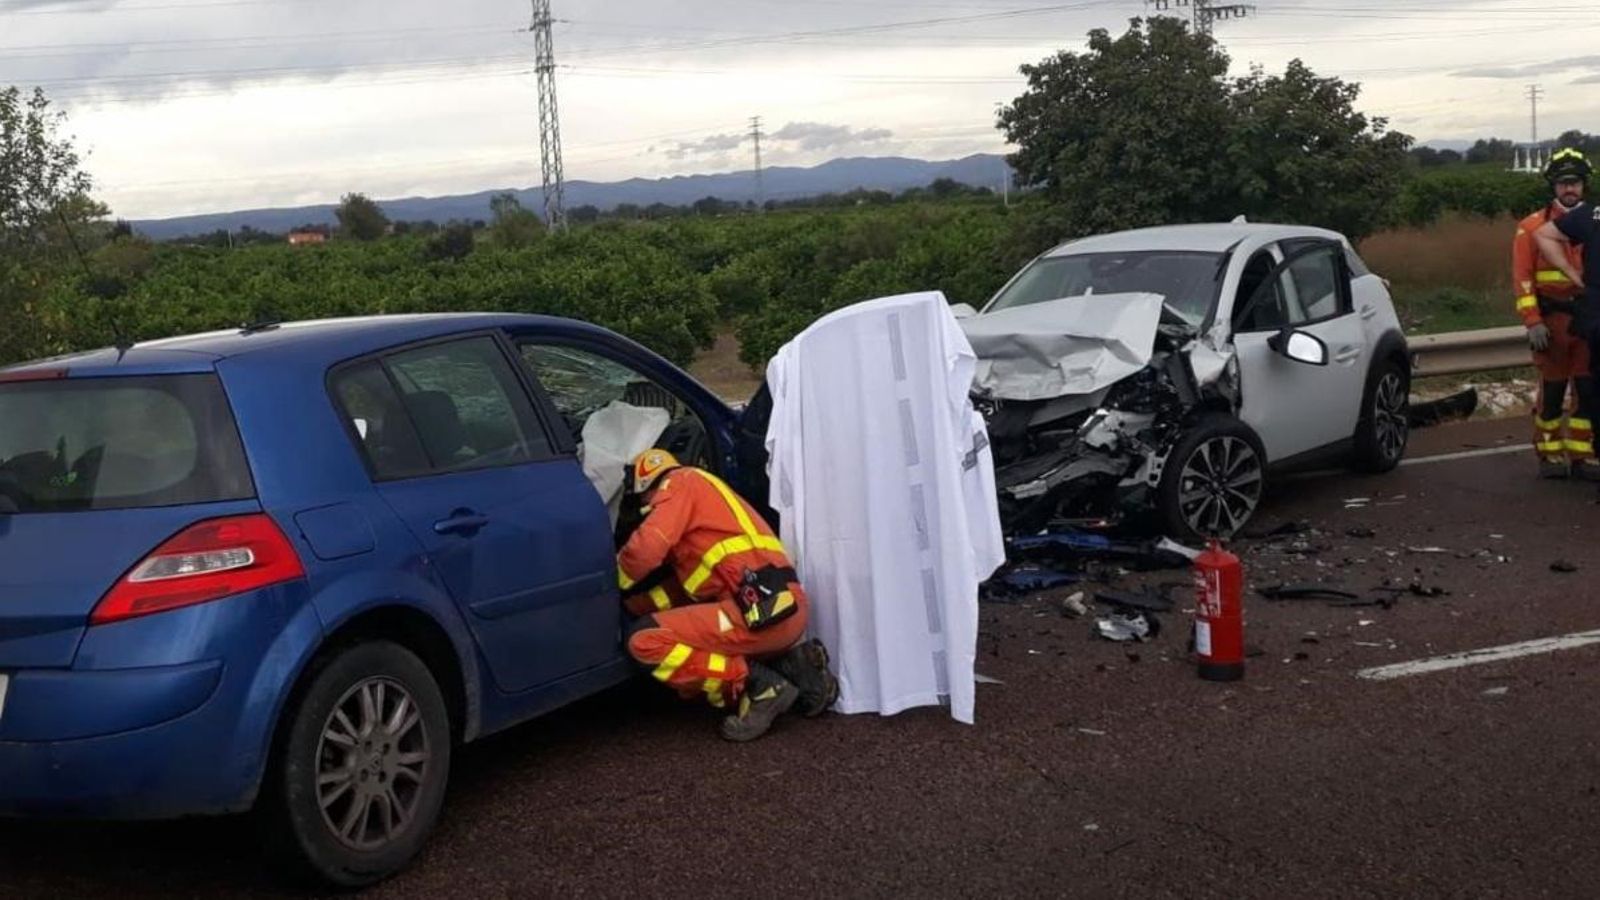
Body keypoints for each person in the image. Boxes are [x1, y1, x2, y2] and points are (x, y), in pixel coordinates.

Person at [616, 449, 838, 741]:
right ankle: (796, 667)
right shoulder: (708, 504)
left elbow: (647, 548)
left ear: (645, 484)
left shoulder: (679, 482)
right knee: (691, 630)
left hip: (754, 617)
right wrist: (635, 605)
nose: (645, 510)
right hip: (783, 612)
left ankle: (756, 684)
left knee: (645, 640)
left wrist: (612, 581)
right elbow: (683, 593)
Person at [1516, 147, 1595, 478]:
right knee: (1552, 391)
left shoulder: (1594, 220)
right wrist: (1533, 321)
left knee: (1588, 392)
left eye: (1575, 182)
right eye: (1563, 183)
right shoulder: (1531, 228)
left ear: (1584, 185)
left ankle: (1581, 456)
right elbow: (1522, 279)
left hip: (1588, 320)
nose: (1569, 189)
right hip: (1552, 322)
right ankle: (1547, 454)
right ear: (1553, 187)